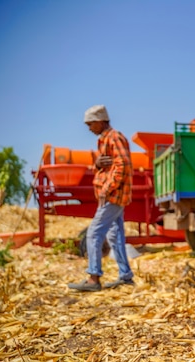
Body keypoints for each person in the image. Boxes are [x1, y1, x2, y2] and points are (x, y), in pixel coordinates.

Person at [68, 105, 135, 292]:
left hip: (113, 196)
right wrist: (96, 165)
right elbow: (109, 166)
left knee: (94, 233)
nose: (89, 128)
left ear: (100, 121)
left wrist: (106, 189)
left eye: (90, 124)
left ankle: (93, 278)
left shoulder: (114, 137)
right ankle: (125, 276)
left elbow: (123, 165)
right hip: (113, 195)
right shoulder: (105, 140)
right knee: (115, 235)